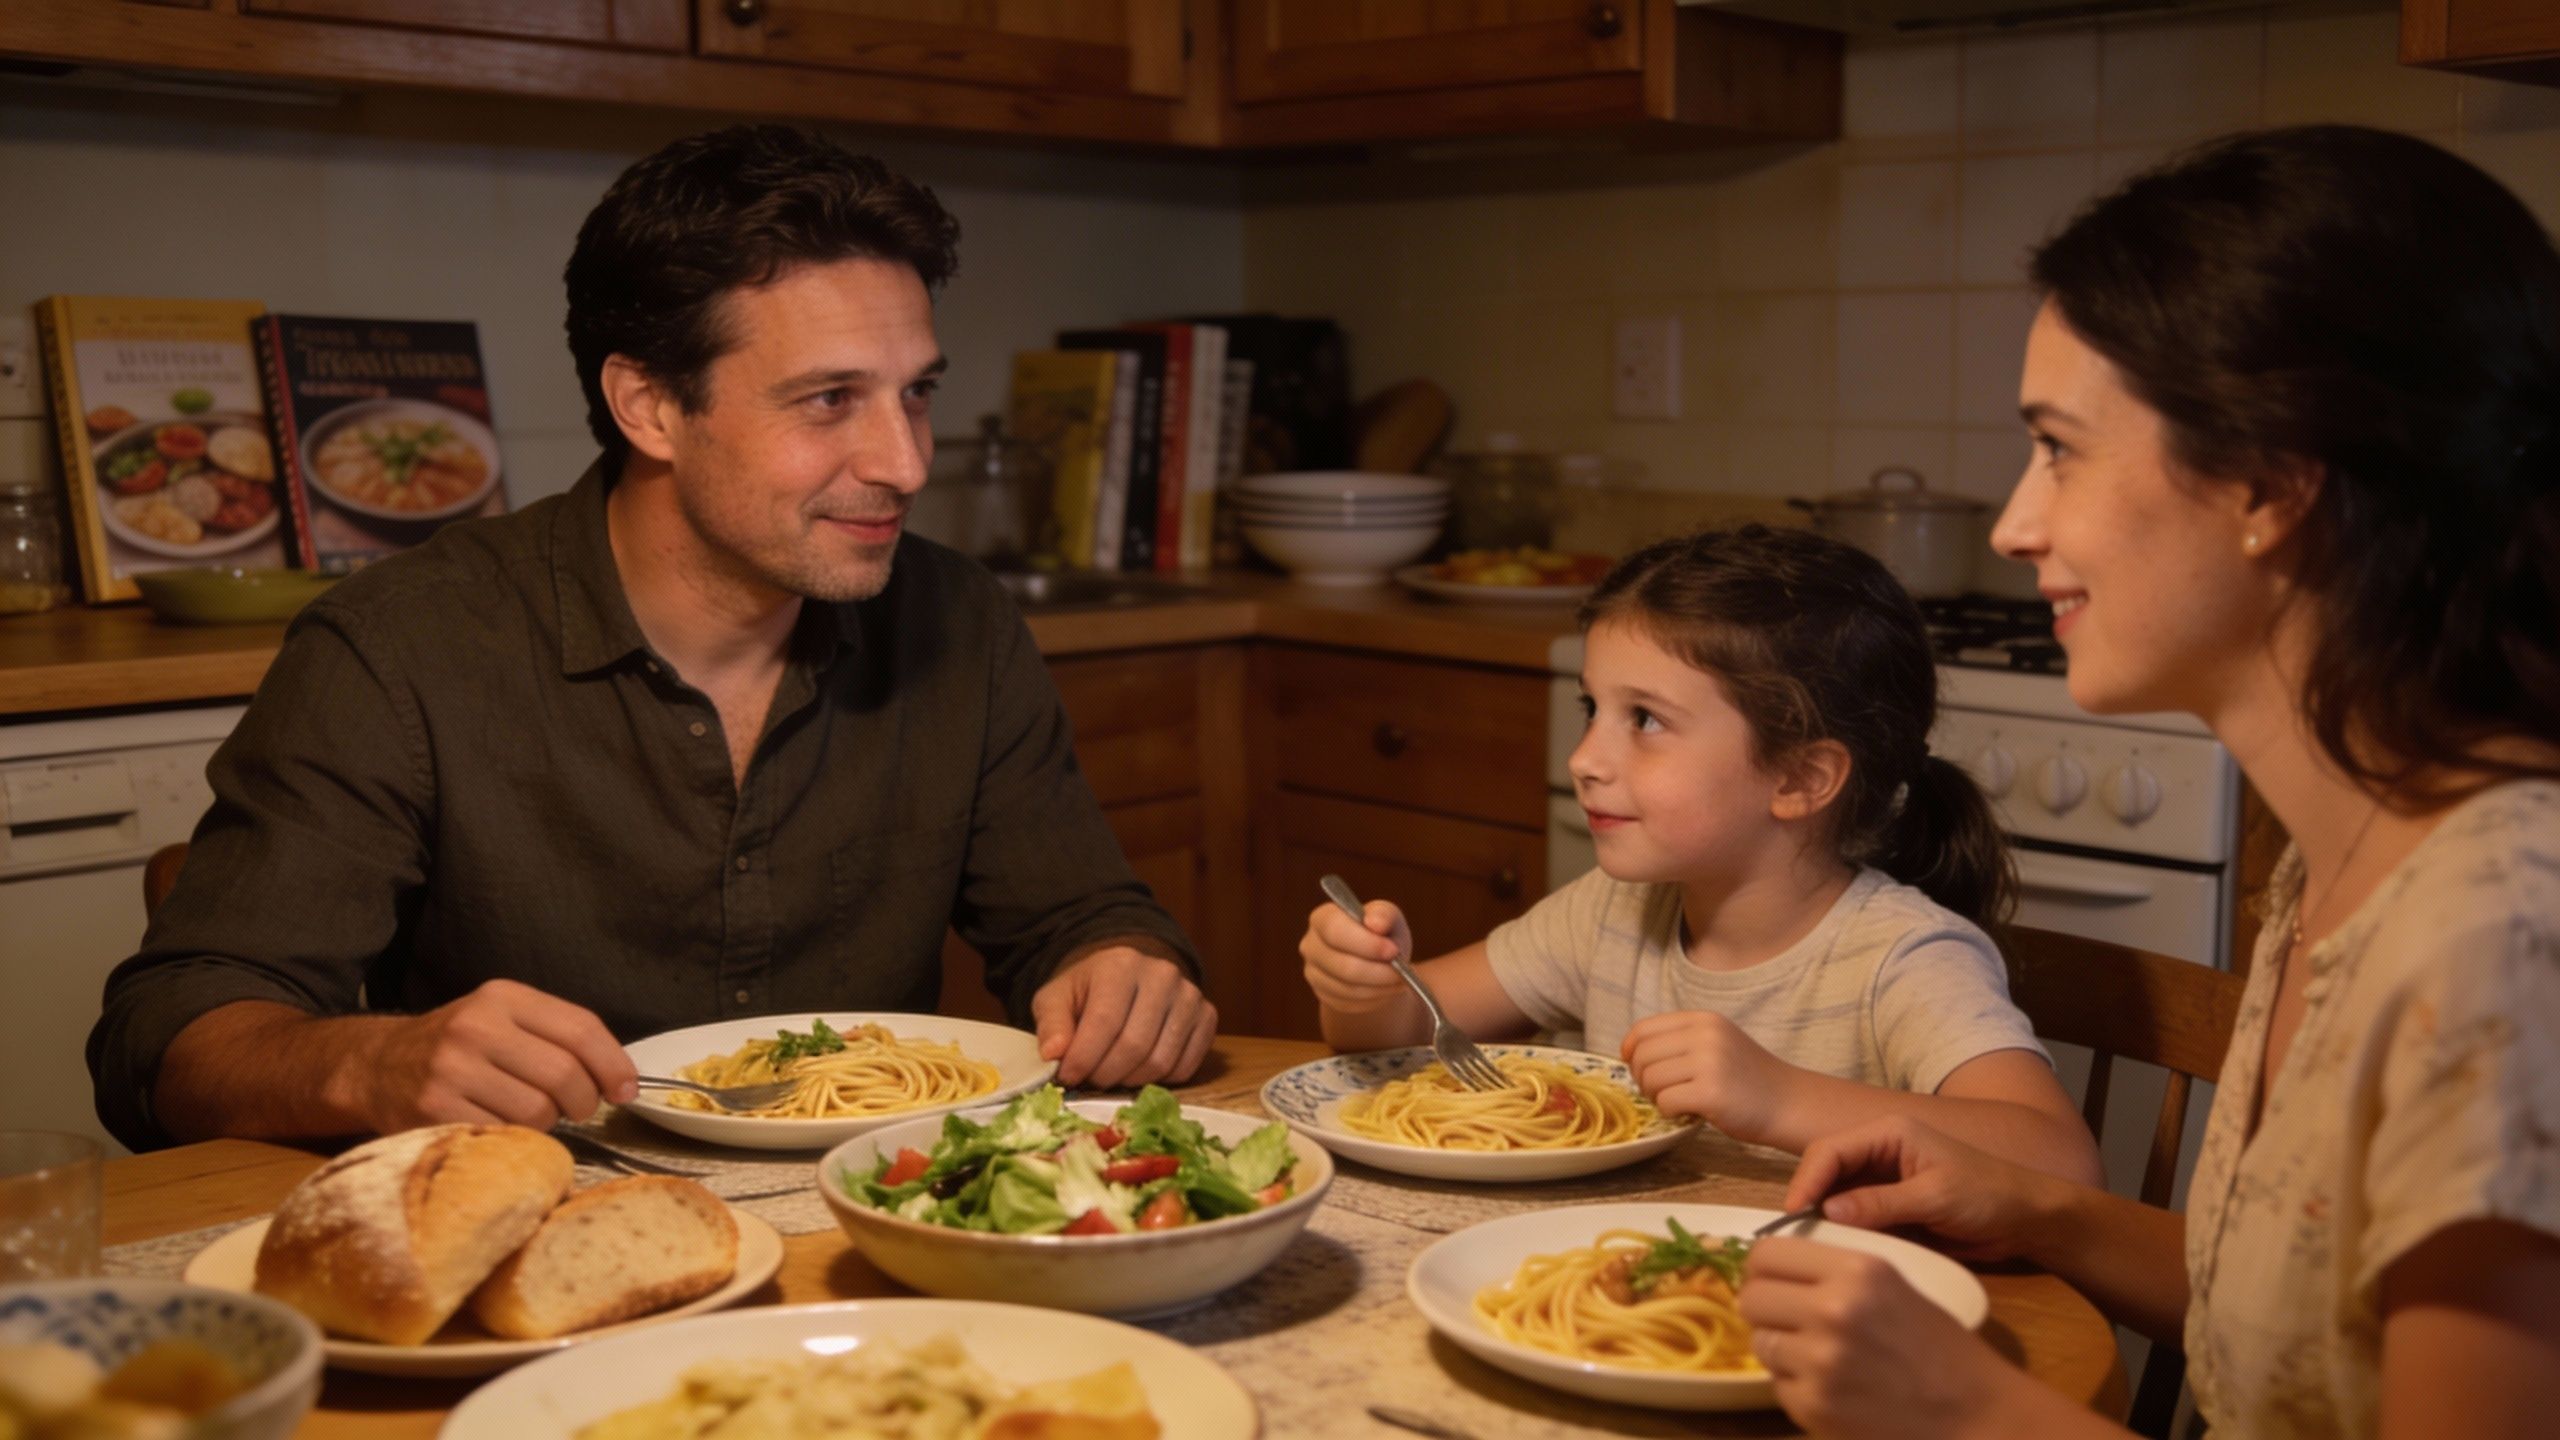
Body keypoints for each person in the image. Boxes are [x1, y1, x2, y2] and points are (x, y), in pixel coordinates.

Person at [86, 125, 1216, 1152]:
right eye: (830, 400)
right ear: (650, 406)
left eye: (915, 393)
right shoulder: (398, 649)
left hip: (878, 1213)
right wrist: (371, 1063)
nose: (905, 461)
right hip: (541, 1227)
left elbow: (1081, 919)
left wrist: (1124, 973)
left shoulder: (957, 618)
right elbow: (163, 1040)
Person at [1736, 125, 2560, 1439]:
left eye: (2059, 447)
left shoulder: (2505, 941)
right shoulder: (2352, 855)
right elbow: (2300, 1323)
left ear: (2270, 482)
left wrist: (1962, 1409)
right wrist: (2036, 1209)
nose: (2015, 525)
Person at [1299, 524, 2100, 1180]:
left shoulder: (1903, 958)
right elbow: (1407, 1032)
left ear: (1800, 778)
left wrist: (1781, 1098)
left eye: (1645, 720)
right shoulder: (1613, 913)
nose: (1585, 758)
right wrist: (1365, 989)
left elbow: (2061, 1162)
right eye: (1592, 708)